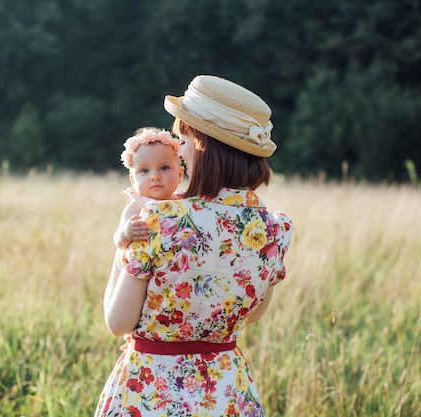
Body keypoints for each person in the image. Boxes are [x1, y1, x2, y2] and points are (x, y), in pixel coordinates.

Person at [95, 75, 293, 417]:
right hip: (228, 391)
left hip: (152, 390)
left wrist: (122, 243)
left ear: (204, 144)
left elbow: (118, 322)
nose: (179, 151)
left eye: (183, 140)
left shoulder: (160, 219)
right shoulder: (274, 228)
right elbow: (256, 313)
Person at [114, 127, 185, 250]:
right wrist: (125, 234)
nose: (155, 177)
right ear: (132, 180)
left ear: (179, 175)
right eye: (144, 170)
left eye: (164, 167)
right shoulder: (137, 206)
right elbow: (119, 242)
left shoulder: (184, 201)